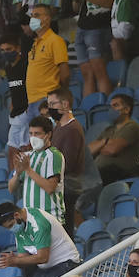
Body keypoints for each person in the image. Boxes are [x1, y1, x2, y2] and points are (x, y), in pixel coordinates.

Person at [61, 0, 119, 98]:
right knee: (86, 72)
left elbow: (109, 2)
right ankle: (89, 108)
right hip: (82, 26)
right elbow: (76, 6)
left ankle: (105, 104)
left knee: (99, 69)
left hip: (98, 26)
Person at [0, 203, 80, 277]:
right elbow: (23, 259)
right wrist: (13, 262)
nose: (11, 229)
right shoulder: (20, 226)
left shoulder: (38, 223)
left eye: (11, 225)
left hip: (65, 263)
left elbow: (43, 257)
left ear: (16, 215)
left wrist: (16, 260)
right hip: (45, 269)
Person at [46, 86, 96, 228]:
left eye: (52, 104)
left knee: (65, 229)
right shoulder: (59, 127)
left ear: (65, 104)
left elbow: (68, 163)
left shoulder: (72, 128)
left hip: (68, 186)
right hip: (61, 185)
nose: (50, 108)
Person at [22, 6, 71, 150]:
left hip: (46, 100)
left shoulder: (55, 40)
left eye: (36, 15)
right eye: (32, 15)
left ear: (47, 19)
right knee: (36, 147)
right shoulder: (35, 43)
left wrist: (60, 95)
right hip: (32, 101)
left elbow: (65, 72)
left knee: (49, 144)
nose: (32, 18)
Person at [9, 115, 66, 225]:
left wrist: (28, 170)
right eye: (31, 133)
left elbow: (50, 188)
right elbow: (11, 189)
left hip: (50, 218)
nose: (33, 137)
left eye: (37, 133)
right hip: (31, 220)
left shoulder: (54, 155)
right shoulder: (27, 156)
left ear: (48, 135)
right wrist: (18, 174)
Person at [88, 92, 139, 185]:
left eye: (115, 106)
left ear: (126, 109)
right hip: (100, 172)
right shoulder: (109, 130)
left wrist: (99, 148)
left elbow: (112, 150)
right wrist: (105, 141)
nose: (111, 109)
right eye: (111, 107)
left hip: (119, 172)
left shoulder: (132, 127)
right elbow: (89, 151)